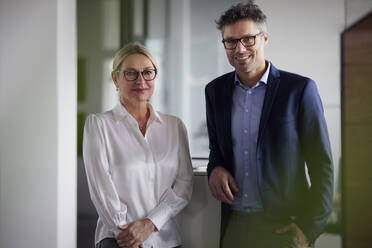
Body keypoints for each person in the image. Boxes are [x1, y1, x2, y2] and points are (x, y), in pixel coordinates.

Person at [205, 1, 334, 247]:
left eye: (248, 39)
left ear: (264, 38)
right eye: (230, 41)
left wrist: (309, 227)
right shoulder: (214, 91)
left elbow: (322, 166)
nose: (239, 49)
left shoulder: (299, 90)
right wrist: (216, 168)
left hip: (284, 226)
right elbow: (216, 151)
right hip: (235, 225)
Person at [83, 42, 193, 248]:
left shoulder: (174, 126)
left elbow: (183, 186)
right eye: (131, 73)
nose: (141, 80)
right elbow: (101, 190)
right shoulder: (99, 125)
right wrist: (127, 234)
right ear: (116, 79)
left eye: (147, 72)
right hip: (119, 240)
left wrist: (150, 224)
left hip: (166, 239)